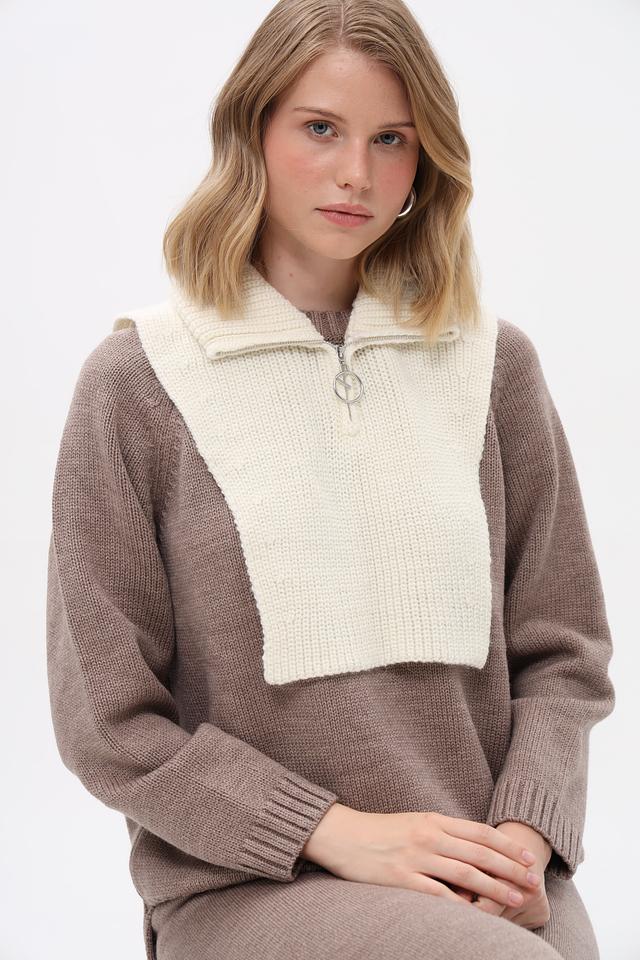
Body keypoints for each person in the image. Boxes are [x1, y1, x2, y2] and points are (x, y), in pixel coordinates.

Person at [45, 1, 616, 958]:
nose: (358, 172)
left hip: (483, 866)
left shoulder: (493, 367)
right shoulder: (139, 384)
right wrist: (330, 831)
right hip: (254, 884)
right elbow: (110, 722)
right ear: (252, 132)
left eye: (392, 139)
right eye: (321, 128)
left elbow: (564, 650)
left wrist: (525, 840)